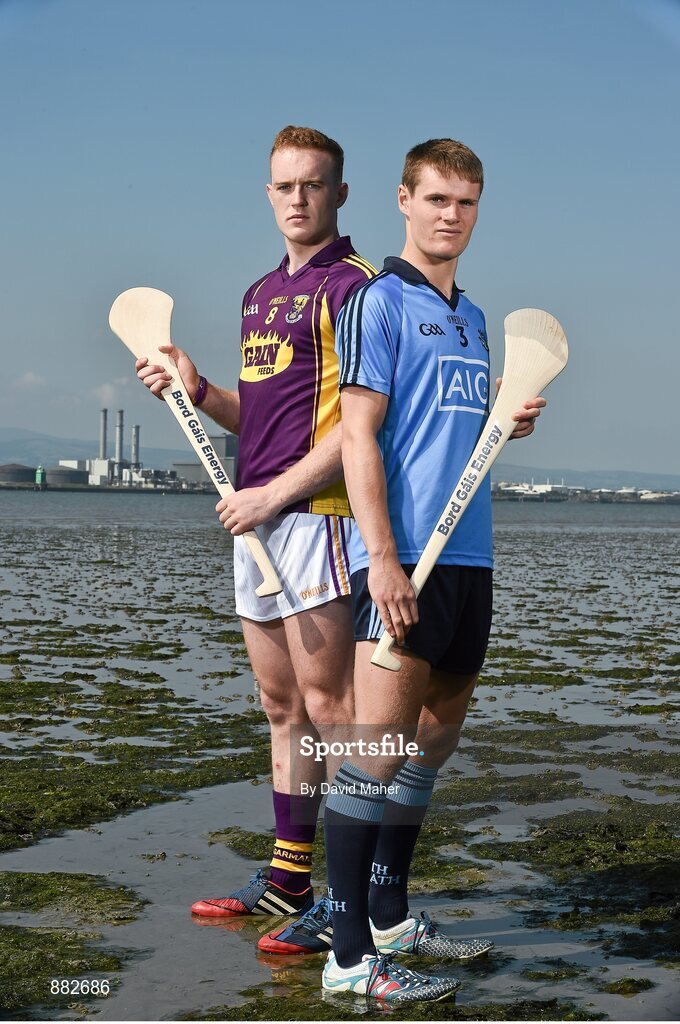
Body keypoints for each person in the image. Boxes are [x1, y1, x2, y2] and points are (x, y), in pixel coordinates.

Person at [268, 138, 546, 1003]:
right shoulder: (378, 304)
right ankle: (349, 960)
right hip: (404, 561)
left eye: (465, 202)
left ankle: (388, 914)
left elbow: (449, 432)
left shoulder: (471, 314)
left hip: (472, 555)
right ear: (402, 200)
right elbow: (359, 438)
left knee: (431, 741)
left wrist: (506, 422)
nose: (450, 215)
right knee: (374, 753)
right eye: (436, 199)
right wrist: (379, 559)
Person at [136, 126, 375, 920]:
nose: (298, 199)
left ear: (340, 193)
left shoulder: (357, 287)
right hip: (257, 519)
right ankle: (288, 880)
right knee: (282, 710)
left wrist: (274, 496)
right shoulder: (257, 295)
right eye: (285, 186)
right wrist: (197, 390)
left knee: (333, 708)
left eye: (313, 185)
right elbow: (262, 422)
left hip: (319, 516)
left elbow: (358, 430)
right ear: (267, 195)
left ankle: (361, 895)